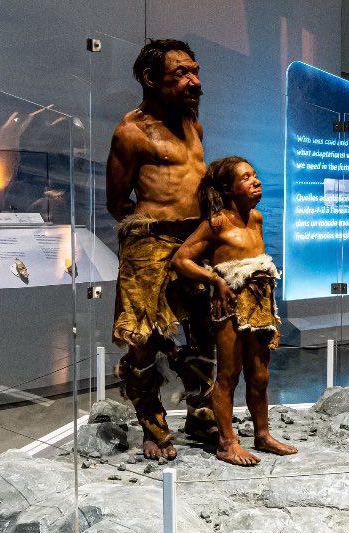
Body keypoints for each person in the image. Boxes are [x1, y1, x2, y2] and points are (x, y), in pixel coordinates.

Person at [107, 39, 217, 460]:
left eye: (195, 70)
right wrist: (151, 234)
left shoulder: (194, 125)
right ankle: (152, 422)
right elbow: (117, 202)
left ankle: (201, 411)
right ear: (151, 80)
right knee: (143, 336)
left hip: (196, 239)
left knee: (205, 328)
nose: (195, 81)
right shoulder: (131, 133)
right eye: (182, 74)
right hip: (149, 242)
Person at [172, 157, 298, 466]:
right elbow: (182, 259)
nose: (255, 181)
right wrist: (215, 280)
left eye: (255, 175)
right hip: (229, 305)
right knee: (229, 374)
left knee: (260, 375)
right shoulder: (216, 223)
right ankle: (226, 443)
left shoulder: (255, 219)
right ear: (228, 188)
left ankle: (263, 434)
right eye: (246, 177)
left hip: (260, 304)